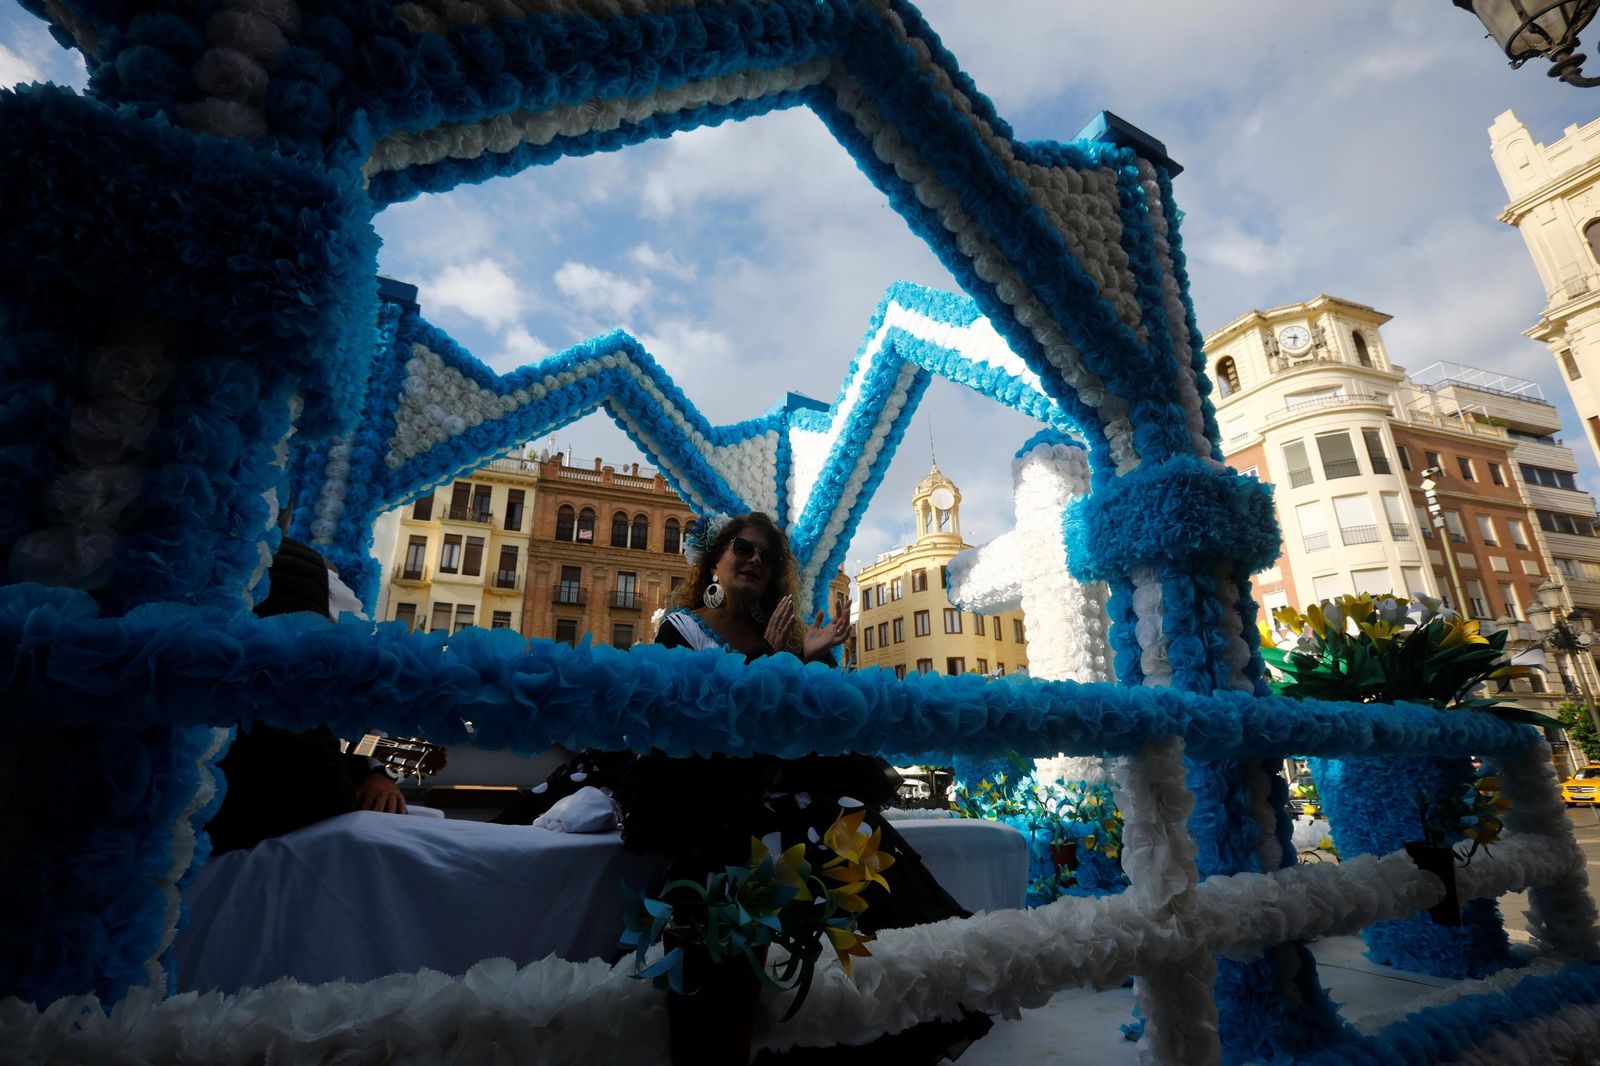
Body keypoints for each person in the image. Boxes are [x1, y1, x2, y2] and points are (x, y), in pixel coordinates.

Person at [510, 513, 992, 1062]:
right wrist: (775, 658)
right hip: (709, 788)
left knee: (858, 844)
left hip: (781, 779)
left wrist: (804, 658)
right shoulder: (683, 627)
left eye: (767, 555)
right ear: (715, 560)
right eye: (743, 548)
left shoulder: (783, 634)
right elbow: (695, 721)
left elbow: (798, 720)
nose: (756, 560)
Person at [204, 537, 408, 855]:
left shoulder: (221, 574)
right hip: (315, 801)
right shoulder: (321, 586)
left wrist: (382, 773)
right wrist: (382, 774)